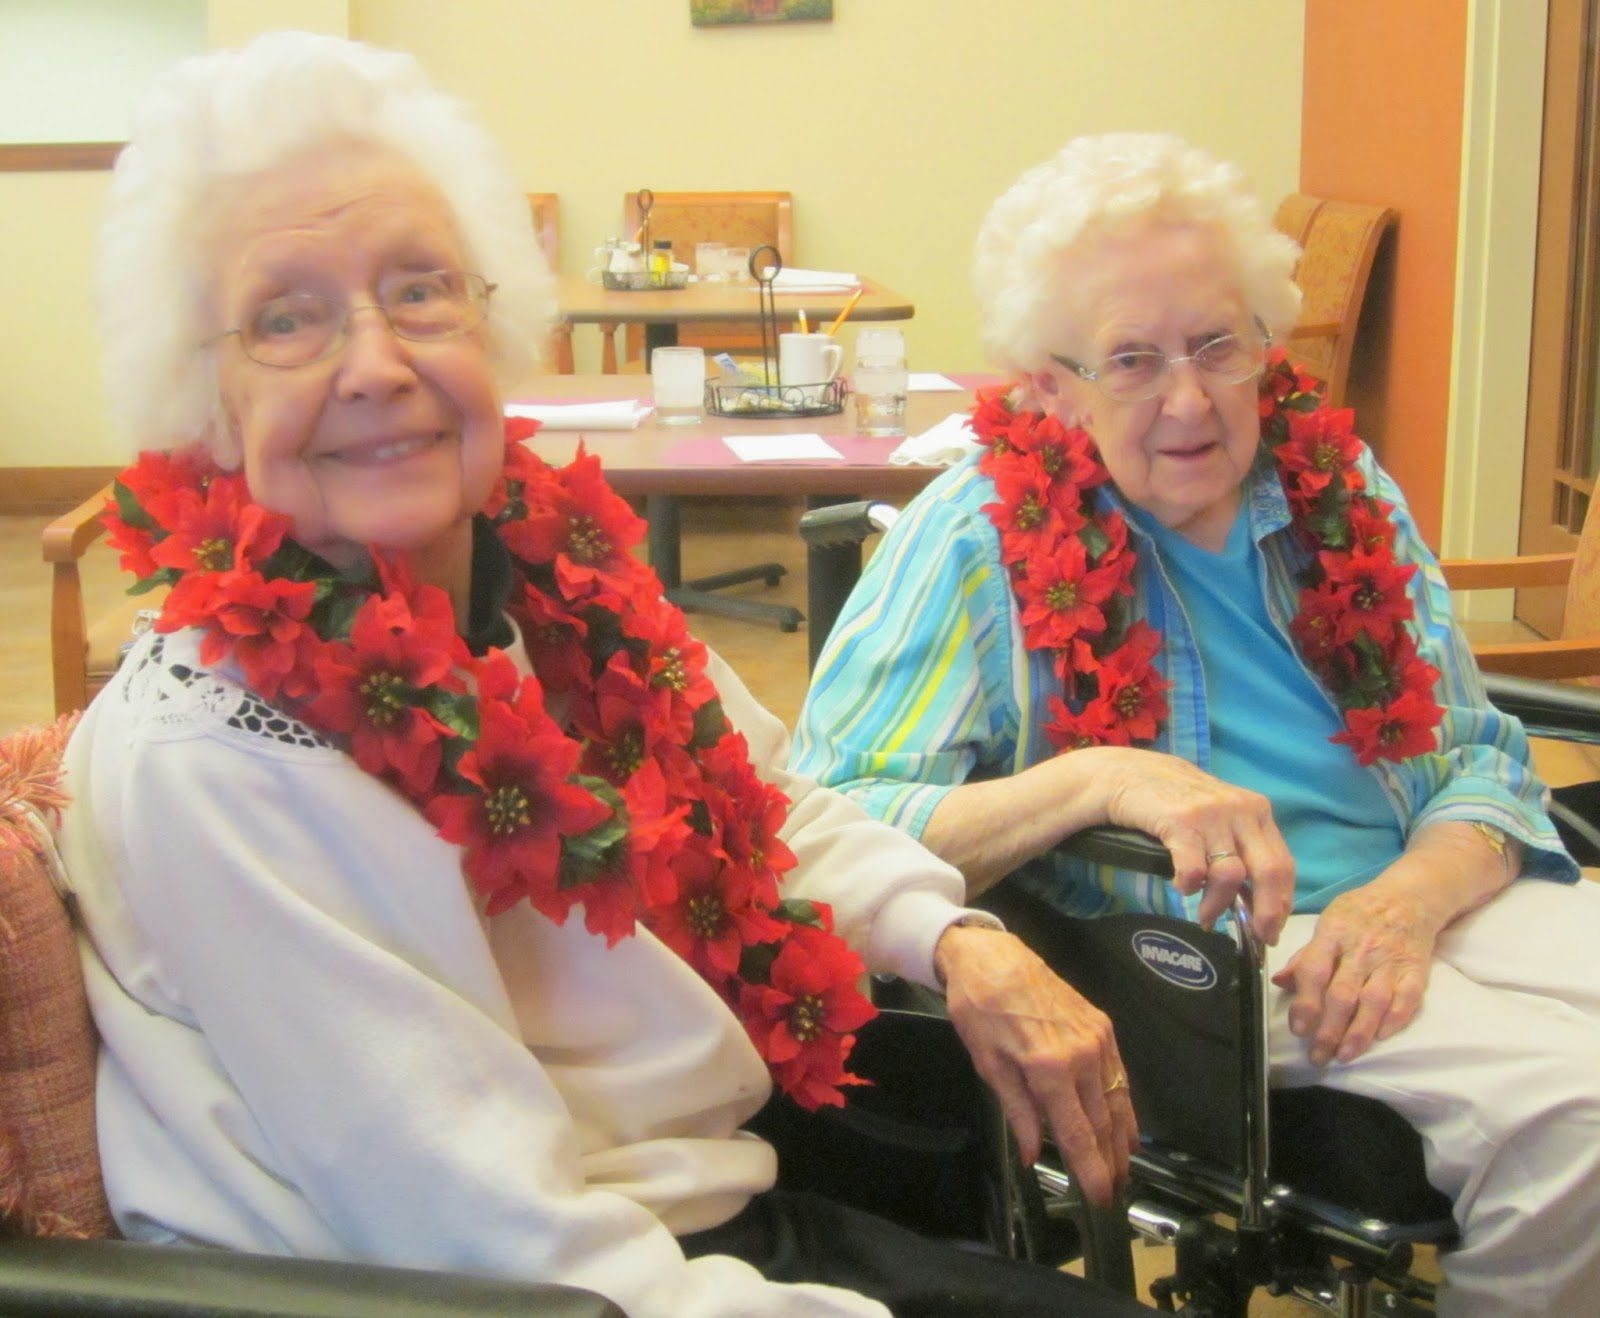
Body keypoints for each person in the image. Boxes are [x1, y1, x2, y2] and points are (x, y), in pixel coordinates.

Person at [53, 31, 1151, 1318]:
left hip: (696, 1188)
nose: (375, 363)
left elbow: (758, 807)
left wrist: (955, 937)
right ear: (203, 396)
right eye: (285, 319)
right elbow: (484, 1236)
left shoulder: (539, 580)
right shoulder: (217, 755)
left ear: (494, 320)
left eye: (421, 290)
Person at [791, 132, 1600, 1318]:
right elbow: (829, 817)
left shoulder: (1342, 492)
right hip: (1215, 957)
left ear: (1267, 342)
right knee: (1576, 1114)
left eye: (1218, 345)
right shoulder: (973, 539)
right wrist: (1101, 777)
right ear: (1049, 386)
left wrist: (1412, 897)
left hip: (1431, 891)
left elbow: (1475, 755)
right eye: (1131, 359)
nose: (1188, 397)